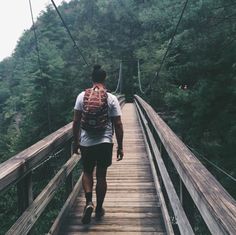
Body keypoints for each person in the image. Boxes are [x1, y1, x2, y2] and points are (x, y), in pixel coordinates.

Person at [72, 64, 124, 224]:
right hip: (105, 142)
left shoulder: (82, 96)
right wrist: (120, 146)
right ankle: (99, 208)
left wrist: (76, 142)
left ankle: (89, 202)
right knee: (101, 175)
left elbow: (76, 122)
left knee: (87, 172)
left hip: (87, 143)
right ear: (105, 79)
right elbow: (118, 124)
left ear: (92, 79)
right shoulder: (112, 98)